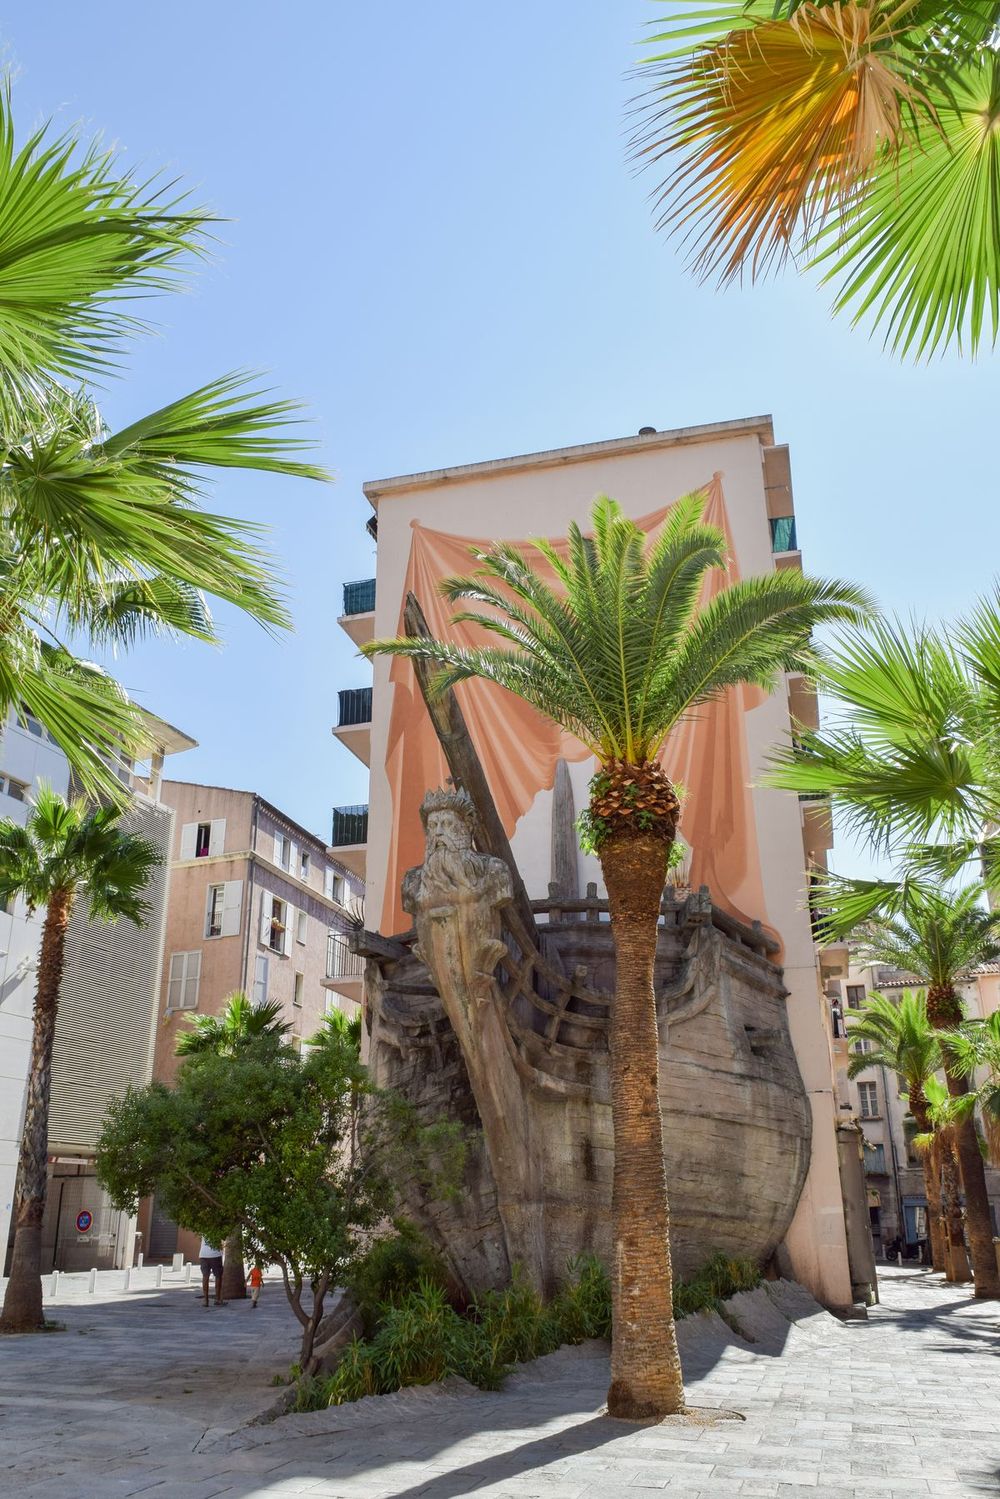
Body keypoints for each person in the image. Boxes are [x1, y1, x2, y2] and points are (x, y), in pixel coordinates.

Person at [199, 1238, 225, 1307]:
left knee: (205, 1276)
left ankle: (206, 1300)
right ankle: (217, 1299)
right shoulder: (219, 1227)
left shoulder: (202, 1227)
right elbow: (223, 1239)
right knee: (218, 1276)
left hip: (203, 1255)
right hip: (215, 1254)